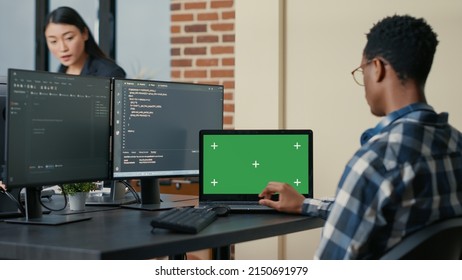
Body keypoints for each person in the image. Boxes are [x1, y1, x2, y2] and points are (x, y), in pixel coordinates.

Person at [259, 15, 462, 259]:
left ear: (377, 68)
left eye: (361, 69)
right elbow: (372, 209)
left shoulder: (376, 162)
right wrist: (305, 204)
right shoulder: (456, 145)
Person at [44, 6, 126, 78]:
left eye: (69, 38)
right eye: (53, 41)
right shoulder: (60, 71)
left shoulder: (109, 73)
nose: (63, 48)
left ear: (84, 34)